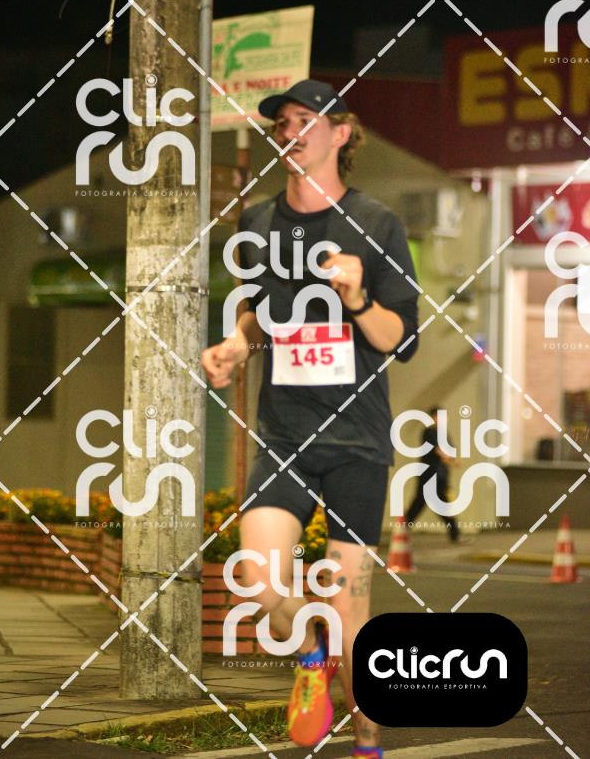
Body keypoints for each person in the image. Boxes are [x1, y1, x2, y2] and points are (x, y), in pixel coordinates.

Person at [201, 79, 420, 758]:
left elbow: (401, 339)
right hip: (284, 435)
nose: (290, 132)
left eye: (305, 119)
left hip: (356, 440)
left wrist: (357, 300)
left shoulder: (377, 222)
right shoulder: (257, 223)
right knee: (259, 581)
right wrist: (235, 345)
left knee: (351, 606)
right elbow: (256, 313)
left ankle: (367, 739)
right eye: (281, 124)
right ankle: (309, 649)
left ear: (340, 133)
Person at [405, 407, 460, 542]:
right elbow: (439, 451)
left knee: (436, 504)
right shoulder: (429, 432)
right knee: (421, 504)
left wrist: (452, 459)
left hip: (440, 475)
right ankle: (455, 534)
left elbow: (450, 451)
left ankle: (455, 534)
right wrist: (450, 459)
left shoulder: (444, 434)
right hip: (429, 475)